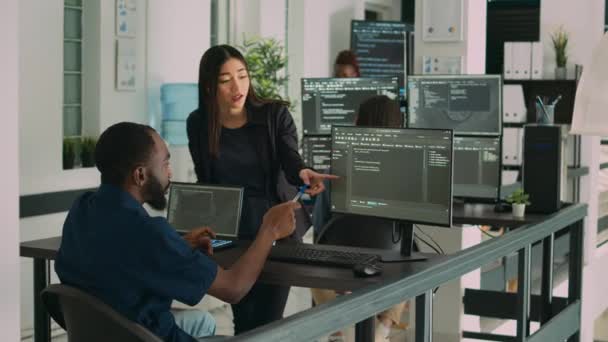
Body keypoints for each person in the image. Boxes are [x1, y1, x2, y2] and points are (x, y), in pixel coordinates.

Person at [55, 122, 300, 342]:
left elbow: (121, 256)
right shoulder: (150, 234)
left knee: (203, 321)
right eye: (165, 163)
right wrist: (269, 230)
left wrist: (177, 244)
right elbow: (233, 288)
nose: (169, 172)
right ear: (140, 175)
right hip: (148, 335)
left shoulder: (82, 209)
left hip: (104, 333)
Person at [186, 44, 337, 334]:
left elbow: (289, 156)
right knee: (243, 320)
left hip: (277, 229)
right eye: (225, 79)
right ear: (209, 86)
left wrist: (302, 171)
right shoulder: (199, 123)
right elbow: (206, 182)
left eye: (242, 75)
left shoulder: (273, 114)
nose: (237, 86)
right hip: (231, 235)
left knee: (267, 323)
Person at [311, 95, 408, 342]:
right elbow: (407, 230)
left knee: (313, 261)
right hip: (387, 264)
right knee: (409, 267)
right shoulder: (404, 176)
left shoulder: (334, 174)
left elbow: (321, 225)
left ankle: (343, 327)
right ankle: (383, 328)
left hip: (337, 267)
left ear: (356, 124)